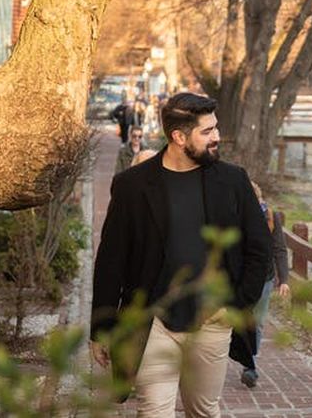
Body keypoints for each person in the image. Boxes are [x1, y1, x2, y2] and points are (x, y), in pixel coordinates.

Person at [90, 92, 272, 417]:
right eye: (207, 131)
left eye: (215, 128)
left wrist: (236, 305)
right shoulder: (132, 185)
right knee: (154, 410)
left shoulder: (233, 181)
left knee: (203, 410)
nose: (217, 137)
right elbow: (110, 261)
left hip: (213, 322)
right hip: (153, 322)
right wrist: (100, 329)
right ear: (178, 136)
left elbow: (259, 248)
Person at [240, 182, 290, 388]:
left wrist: (284, 280)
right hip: (241, 278)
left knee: (258, 321)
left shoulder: (270, 216)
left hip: (265, 278)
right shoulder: (235, 216)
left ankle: (250, 365)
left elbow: (280, 248)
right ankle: (241, 354)